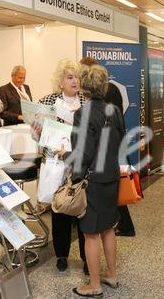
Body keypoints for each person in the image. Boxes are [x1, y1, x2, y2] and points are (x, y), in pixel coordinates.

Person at [68, 64, 123, 298]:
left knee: (91, 233)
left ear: (83, 86)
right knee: (108, 227)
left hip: (92, 180)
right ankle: (111, 274)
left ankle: (94, 284)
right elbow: (121, 138)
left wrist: (75, 175)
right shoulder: (115, 110)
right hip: (112, 175)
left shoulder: (83, 113)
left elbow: (83, 151)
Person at [37, 58, 87, 274]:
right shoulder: (47, 101)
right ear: (60, 82)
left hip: (80, 162)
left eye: (76, 76)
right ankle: (61, 255)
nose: (74, 81)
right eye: (69, 77)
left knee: (84, 211)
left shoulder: (87, 102)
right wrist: (37, 132)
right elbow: (37, 135)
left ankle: (87, 258)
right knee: (60, 212)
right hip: (56, 164)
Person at [80, 57, 136, 238]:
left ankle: (124, 225)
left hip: (104, 154)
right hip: (112, 150)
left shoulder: (103, 95)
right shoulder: (111, 90)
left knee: (114, 192)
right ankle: (118, 223)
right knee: (114, 189)